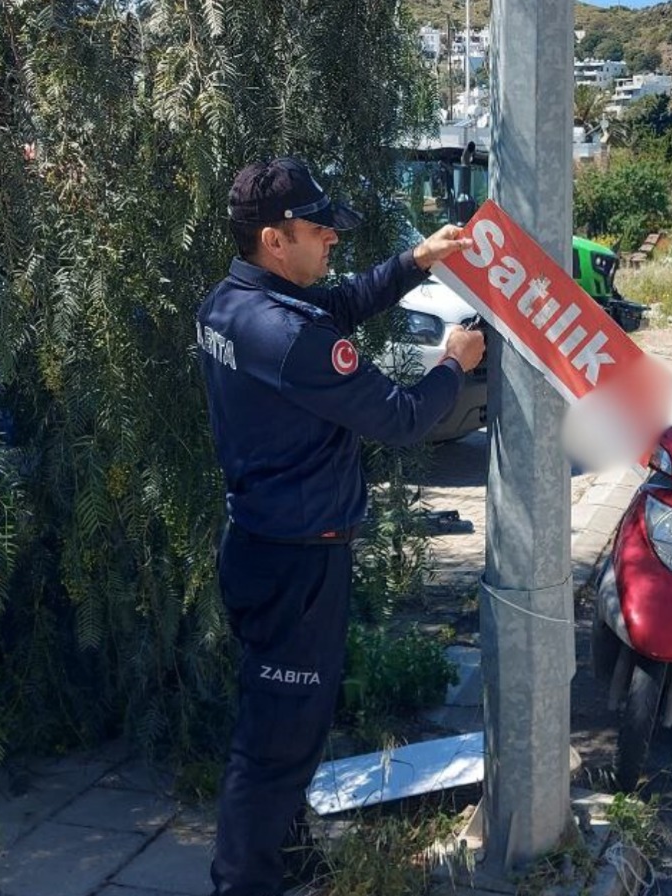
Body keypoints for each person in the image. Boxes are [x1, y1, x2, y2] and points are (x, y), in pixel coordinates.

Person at [196, 156, 485, 896]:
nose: (331, 241)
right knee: (274, 747)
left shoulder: (233, 303)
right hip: (296, 567)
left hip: (266, 549)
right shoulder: (289, 334)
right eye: (318, 230)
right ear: (273, 237)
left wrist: (416, 261)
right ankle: (245, 883)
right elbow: (402, 418)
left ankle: (289, 861)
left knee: (286, 728)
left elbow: (341, 304)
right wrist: (454, 365)